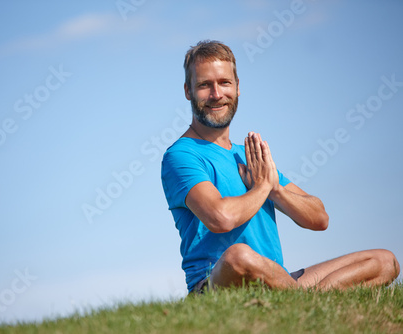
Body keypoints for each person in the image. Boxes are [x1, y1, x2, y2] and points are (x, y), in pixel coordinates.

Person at [161, 40, 400, 294]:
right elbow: (221, 218)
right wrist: (262, 187)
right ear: (188, 91)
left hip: (278, 280)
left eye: (225, 82)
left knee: (384, 261)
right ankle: (301, 299)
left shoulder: (249, 156)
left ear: (238, 87)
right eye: (204, 85)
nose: (216, 94)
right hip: (215, 284)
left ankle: (299, 299)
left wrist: (276, 191)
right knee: (239, 256)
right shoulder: (181, 155)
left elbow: (319, 218)